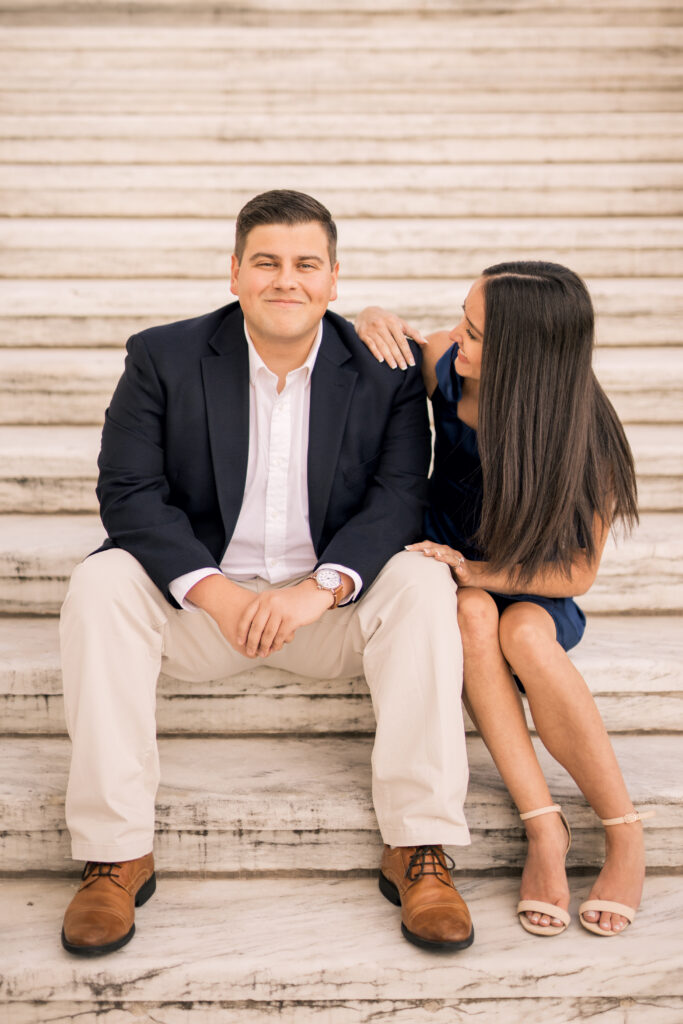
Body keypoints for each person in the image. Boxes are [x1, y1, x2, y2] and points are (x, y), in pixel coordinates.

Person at [58, 189, 474, 957]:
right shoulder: (163, 355)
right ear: (235, 273)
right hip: (201, 616)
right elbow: (128, 493)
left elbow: (397, 499)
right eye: (268, 262)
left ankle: (419, 848)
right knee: (101, 582)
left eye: (306, 264)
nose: (288, 279)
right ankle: (115, 853)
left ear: (334, 279)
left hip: (324, 619)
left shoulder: (379, 370)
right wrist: (212, 591)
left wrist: (320, 590)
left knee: (421, 584)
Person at [355, 261, 653, 938]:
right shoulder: (446, 361)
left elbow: (576, 574)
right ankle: (542, 827)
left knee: (520, 633)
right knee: (468, 614)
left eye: (477, 334)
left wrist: (476, 569)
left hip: (527, 578)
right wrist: (368, 315)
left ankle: (624, 833)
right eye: (462, 318)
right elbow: (380, 336)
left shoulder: (588, 438)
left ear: (527, 359)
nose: (457, 339)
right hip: (450, 570)